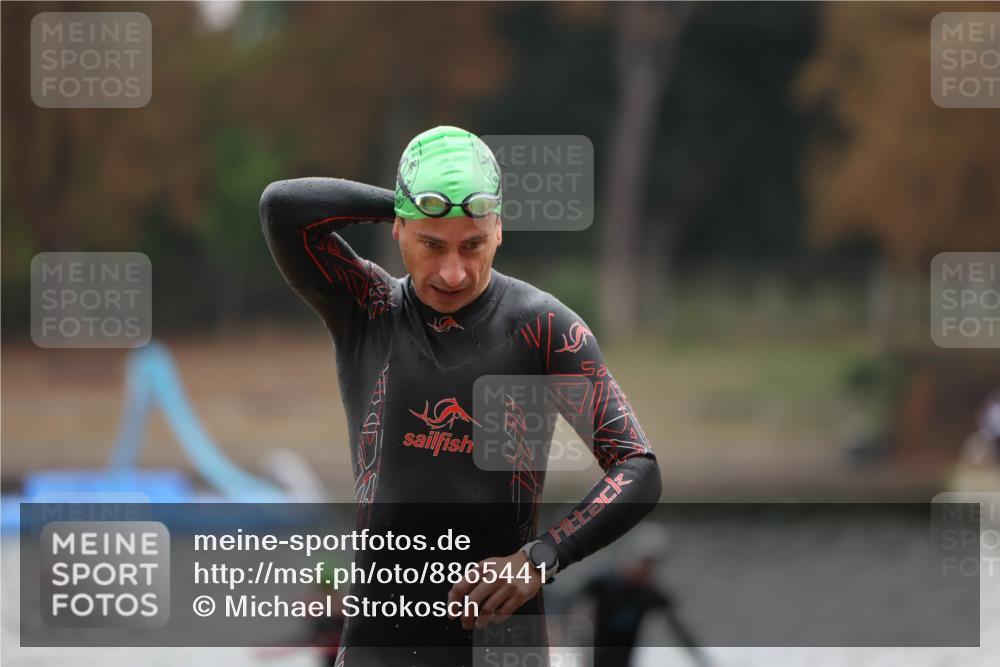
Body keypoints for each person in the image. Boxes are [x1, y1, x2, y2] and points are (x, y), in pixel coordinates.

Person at [260, 125, 662, 666]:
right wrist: (411, 202)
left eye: (472, 243)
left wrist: (539, 559)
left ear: (499, 230)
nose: (453, 272)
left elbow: (637, 467)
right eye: (432, 243)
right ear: (399, 230)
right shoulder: (368, 311)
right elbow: (283, 207)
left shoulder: (542, 327)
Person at [572, 524, 711, 667]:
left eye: (653, 564)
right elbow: (573, 610)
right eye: (645, 562)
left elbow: (678, 630)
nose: (648, 570)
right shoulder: (603, 583)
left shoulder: (651, 594)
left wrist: (701, 658)